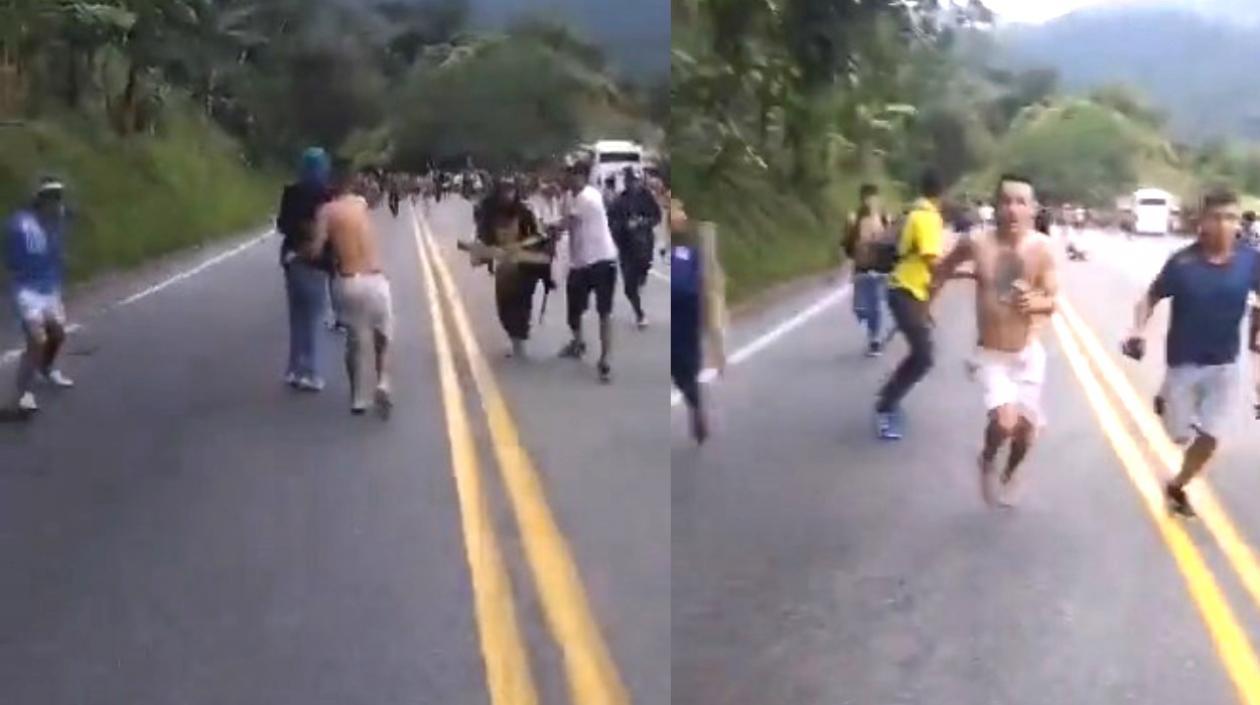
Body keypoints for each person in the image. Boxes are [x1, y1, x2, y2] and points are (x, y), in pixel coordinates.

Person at [1124, 187, 1260, 517]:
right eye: (1217, 217)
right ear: (1202, 221)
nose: (1225, 225)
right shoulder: (1182, 264)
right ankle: (1165, 399)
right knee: (1178, 436)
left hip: (1226, 366)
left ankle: (1178, 484)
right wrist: (1138, 330)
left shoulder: (1251, 261)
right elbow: (1150, 297)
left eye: (1231, 218)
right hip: (1183, 364)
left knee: (1212, 437)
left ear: (1239, 224)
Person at [932, 175, 1059, 506]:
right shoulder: (977, 243)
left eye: (1021, 202)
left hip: (1027, 353)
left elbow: (1052, 299)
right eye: (1006, 201)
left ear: (1033, 209)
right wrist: (928, 302)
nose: (1013, 209)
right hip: (991, 354)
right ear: (995, 206)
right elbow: (943, 268)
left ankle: (1010, 473)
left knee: (1026, 433)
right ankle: (987, 458)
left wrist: (1037, 303)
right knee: (1004, 423)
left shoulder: (1042, 248)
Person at [307, 168, 396, 417]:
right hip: (376, 280)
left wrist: (306, 253)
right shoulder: (360, 205)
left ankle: (358, 398)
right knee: (382, 338)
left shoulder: (326, 211)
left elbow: (316, 250)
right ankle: (383, 381)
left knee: (354, 341)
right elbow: (375, 197)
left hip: (348, 282)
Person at [874, 170, 946, 440]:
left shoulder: (915, 211)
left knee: (921, 354)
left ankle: (888, 397)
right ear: (941, 193)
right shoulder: (928, 217)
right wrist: (968, 271)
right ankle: (886, 407)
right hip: (905, 291)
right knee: (924, 356)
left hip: (907, 291)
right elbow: (931, 260)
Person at [4, 177, 75, 414]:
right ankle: (24, 393)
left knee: (58, 334)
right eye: (51, 197)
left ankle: (46, 368)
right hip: (27, 290)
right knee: (36, 340)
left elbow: (58, 251)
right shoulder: (20, 223)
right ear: (39, 200)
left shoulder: (57, 221)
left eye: (58, 197)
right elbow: (10, 254)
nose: (56, 202)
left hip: (49, 288)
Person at [475, 176, 557, 358]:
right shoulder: (490, 215)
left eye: (511, 191)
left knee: (521, 303)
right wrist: (482, 254)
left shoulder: (525, 213)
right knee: (504, 306)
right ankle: (515, 337)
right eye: (504, 191)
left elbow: (539, 236)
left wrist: (521, 246)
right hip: (504, 267)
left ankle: (520, 341)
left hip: (526, 264)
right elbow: (484, 239)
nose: (508, 195)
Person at [276, 147, 335, 391]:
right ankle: (310, 372)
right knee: (314, 318)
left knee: (297, 317)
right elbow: (329, 230)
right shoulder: (325, 195)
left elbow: (281, 225)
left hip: (291, 259)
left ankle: (294, 369)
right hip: (315, 261)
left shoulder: (291, 192)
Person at [671, 196, 727, 444]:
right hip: (675, 315)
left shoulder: (692, 251)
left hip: (686, 315)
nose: (680, 216)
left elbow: (708, 286)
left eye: (681, 212)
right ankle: (694, 404)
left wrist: (711, 327)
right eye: (675, 211)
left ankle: (696, 409)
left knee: (685, 370)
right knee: (678, 370)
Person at [560, 161, 620, 383]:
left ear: (583, 178)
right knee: (575, 309)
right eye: (569, 175)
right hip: (585, 262)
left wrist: (547, 229)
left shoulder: (587, 197)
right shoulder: (573, 196)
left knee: (603, 312)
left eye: (575, 176)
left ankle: (605, 359)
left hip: (598, 261)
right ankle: (578, 343)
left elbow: (566, 224)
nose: (570, 179)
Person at [843, 183, 892, 356]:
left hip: (879, 269)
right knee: (860, 308)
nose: (871, 201)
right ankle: (872, 329)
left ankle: (875, 339)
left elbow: (892, 242)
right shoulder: (854, 218)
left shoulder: (885, 218)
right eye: (868, 198)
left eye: (874, 198)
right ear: (862, 199)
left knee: (876, 304)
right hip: (861, 268)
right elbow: (847, 245)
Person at [609, 168, 663, 329]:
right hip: (626, 247)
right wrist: (624, 226)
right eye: (630, 180)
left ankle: (642, 275)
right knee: (629, 286)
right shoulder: (619, 201)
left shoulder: (646, 197)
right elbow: (611, 222)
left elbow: (657, 217)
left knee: (643, 267)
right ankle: (639, 314)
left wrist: (642, 222)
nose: (633, 184)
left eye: (635, 180)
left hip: (644, 244)